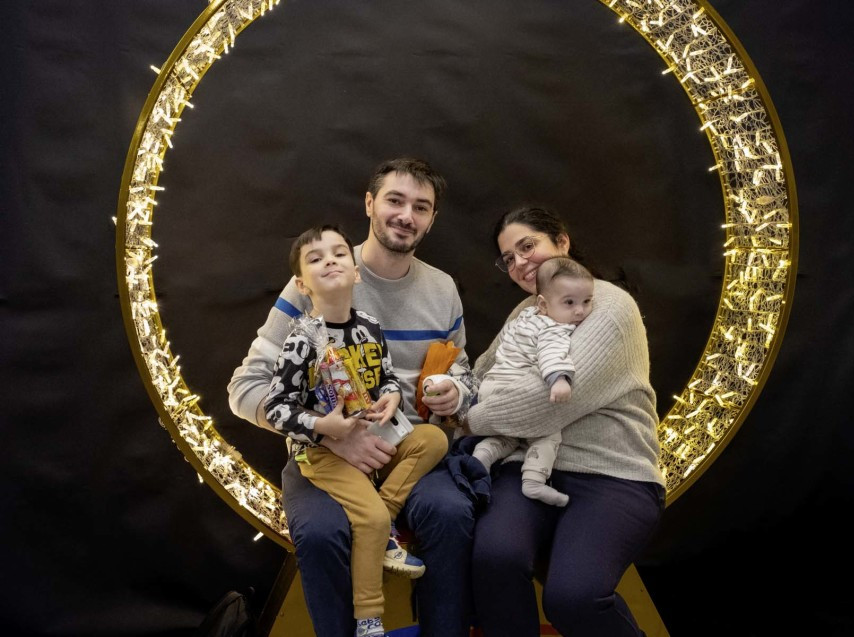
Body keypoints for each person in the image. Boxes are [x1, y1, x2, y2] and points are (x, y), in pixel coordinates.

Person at [228, 158, 475, 637]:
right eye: (395, 200)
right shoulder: (316, 277)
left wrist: (456, 391)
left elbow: (461, 368)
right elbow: (246, 388)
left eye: (420, 207)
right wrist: (329, 437)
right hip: (325, 450)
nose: (406, 215)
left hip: (405, 448)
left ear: (432, 219)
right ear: (369, 204)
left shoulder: (442, 289)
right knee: (322, 535)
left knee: (451, 513)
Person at [466, 206, 666, 637]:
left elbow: (547, 404)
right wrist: (452, 391)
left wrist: (470, 418)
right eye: (509, 258)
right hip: (529, 469)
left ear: (562, 241)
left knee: (573, 598)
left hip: (611, 476)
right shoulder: (525, 313)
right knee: (494, 559)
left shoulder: (610, 306)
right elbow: (481, 374)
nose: (520, 263)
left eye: (528, 246)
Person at [264, 225, 450, 637]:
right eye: (316, 258)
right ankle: (369, 618)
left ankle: (385, 516)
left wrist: (392, 396)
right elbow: (276, 408)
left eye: (338, 254)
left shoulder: (369, 326)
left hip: (374, 438)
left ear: (356, 272)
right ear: (301, 284)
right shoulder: (300, 341)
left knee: (434, 440)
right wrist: (322, 427)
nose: (329, 261)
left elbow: (385, 377)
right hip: (321, 453)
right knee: (369, 519)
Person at [471, 257, 595, 508]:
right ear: (543, 304)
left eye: (587, 301)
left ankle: (481, 457)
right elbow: (552, 353)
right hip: (513, 389)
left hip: (491, 387)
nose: (580, 311)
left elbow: (502, 348)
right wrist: (559, 379)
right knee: (549, 432)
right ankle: (534, 481)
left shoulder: (524, 317)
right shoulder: (555, 328)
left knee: (509, 437)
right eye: (569, 302)